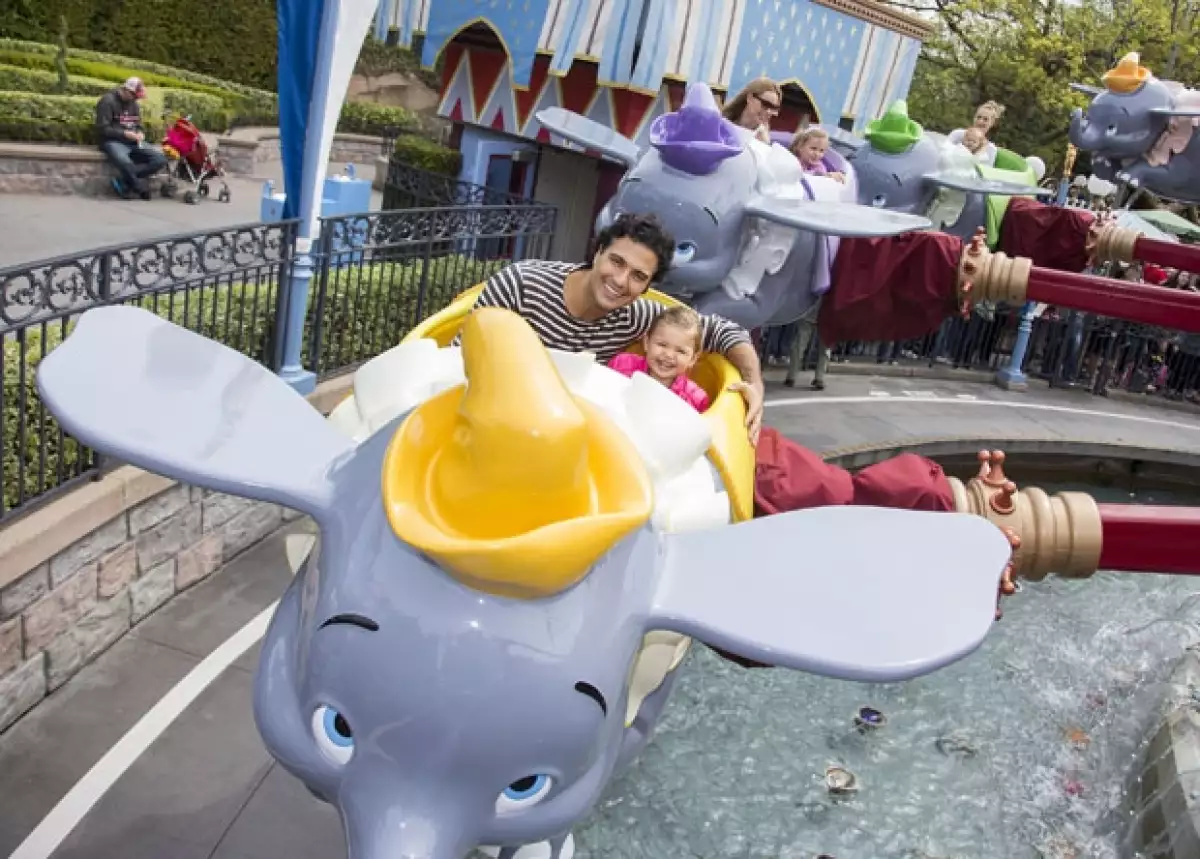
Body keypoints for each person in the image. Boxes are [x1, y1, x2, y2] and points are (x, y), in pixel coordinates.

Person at [456, 212, 765, 443]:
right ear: (598, 251)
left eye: (637, 276)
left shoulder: (636, 315)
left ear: (646, 287)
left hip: (567, 437)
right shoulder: (522, 284)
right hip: (496, 420)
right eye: (617, 262)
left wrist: (755, 385)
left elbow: (724, 331)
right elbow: (457, 360)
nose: (620, 281)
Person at [608, 305, 711, 412]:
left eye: (680, 351)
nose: (669, 355)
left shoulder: (694, 399)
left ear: (693, 359)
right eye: (662, 344)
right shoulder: (621, 365)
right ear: (646, 343)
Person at [95, 77, 168, 200]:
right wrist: (123, 134)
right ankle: (139, 187)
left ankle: (125, 181)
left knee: (160, 159)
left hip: (133, 141)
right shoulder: (107, 101)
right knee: (125, 163)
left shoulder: (134, 105)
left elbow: (138, 124)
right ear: (127, 90)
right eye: (134, 96)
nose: (136, 99)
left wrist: (140, 133)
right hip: (112, 141)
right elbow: (103, 129)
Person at [721, 78, 781, 144]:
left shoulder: (763, 141)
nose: (769, 111)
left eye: (773, 108)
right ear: (749, 98)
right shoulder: (721, 123)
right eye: (765, 104)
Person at [946, 101, 1004, 166]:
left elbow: (984, 172)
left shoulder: (991, 149)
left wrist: (982, 148)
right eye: (979, 117)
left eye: (985, 119)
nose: (980, 121)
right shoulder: (957, 134)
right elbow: (943, 152)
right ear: (974, 118)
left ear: (992, 123)